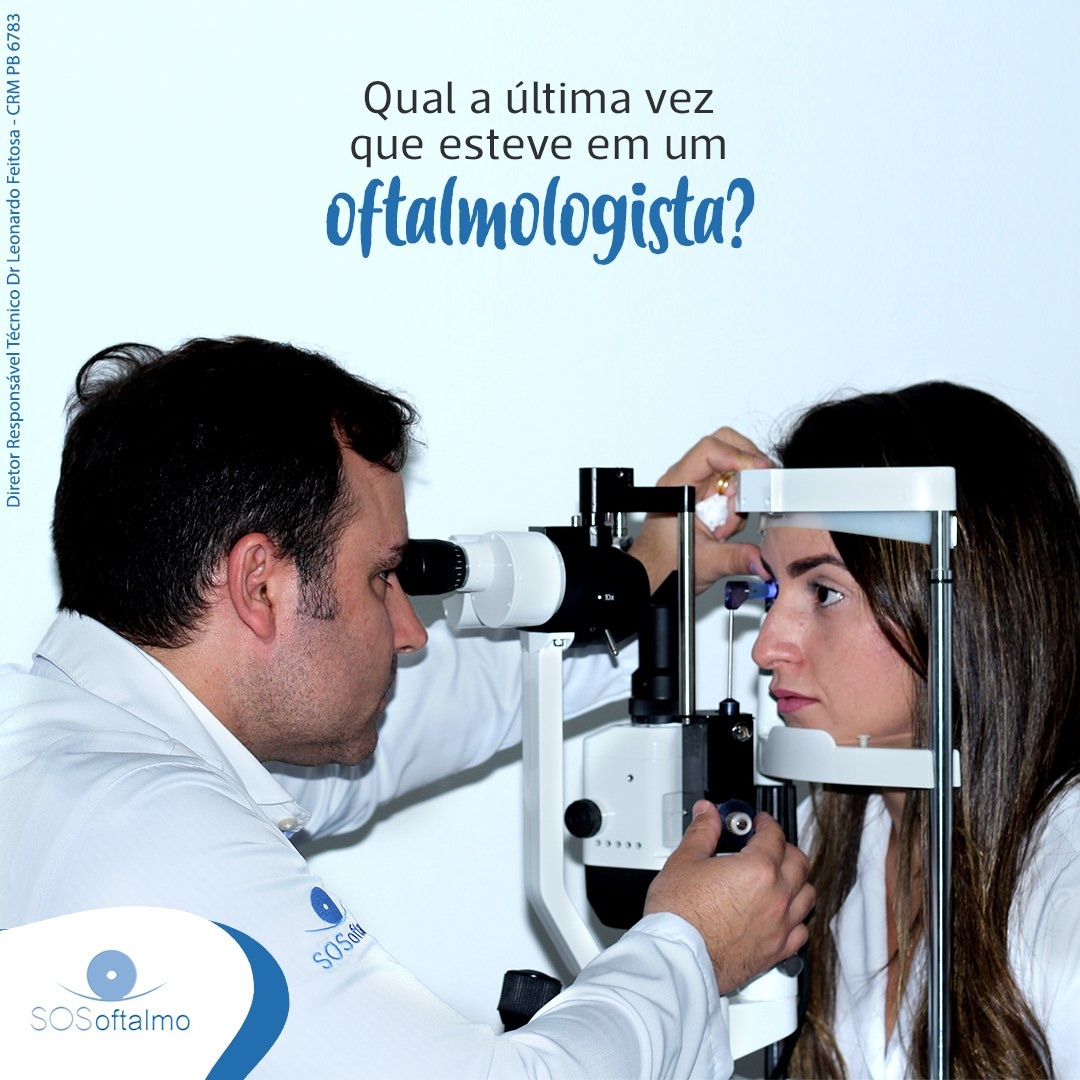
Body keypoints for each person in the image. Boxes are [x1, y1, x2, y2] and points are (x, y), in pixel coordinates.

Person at [0, 336, 813, 1078]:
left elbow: (443, 706)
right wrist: (690, 951)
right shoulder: (161, 837)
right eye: (381, 577)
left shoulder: (59, 737)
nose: (409, 631)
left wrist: (645, 574)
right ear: (259, 586)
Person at [664, 382, 1080, 1079]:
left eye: (824, 592)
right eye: (773, 592)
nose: (767, 647)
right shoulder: (826, 849)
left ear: (963, 596)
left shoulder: (1064, 889)